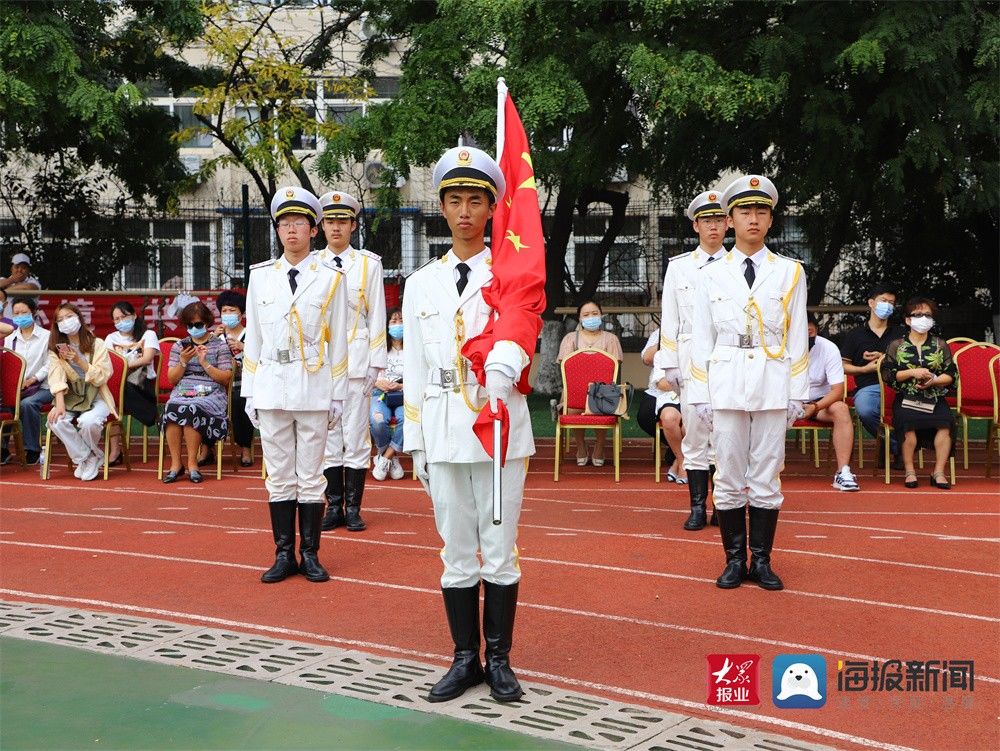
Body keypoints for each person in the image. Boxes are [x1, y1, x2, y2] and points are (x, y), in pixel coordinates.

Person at [404, 146, 534, 703]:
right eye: (454, 200)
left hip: (499, 424)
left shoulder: (511, 273)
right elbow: (412, 367)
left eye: (475, 200)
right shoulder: (419, 283)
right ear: (441, 206)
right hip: (442, 425)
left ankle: (499, 659)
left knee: (499, 547)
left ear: (491, 208)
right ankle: (464, 659)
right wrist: (415, 443)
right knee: (456, 548)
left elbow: (521, 331)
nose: (464, 211)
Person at [688, 175, 808, 592]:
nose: (752, 219)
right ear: (731, 219)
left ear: (771, 220)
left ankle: (763, 560)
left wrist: (797, 392)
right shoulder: (710, 273)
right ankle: (734, 560)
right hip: (725, 379)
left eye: (761, 211)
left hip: (773, 380)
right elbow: (700, 338)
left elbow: (796, 338)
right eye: (744, 211)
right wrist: (699, 393)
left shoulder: (790, 271)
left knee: (766, 473)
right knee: (728, 472)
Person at [242, 186, 348, 584]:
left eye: (299, 224)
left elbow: (338, 340)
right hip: (271, 385)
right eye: (285, 224)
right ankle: (284, 553)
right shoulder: (260, 278)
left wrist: (338, 394)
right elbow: (253, 338)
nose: (291, 231)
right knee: (279, 474)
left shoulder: (330, 279)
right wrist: (249, 391)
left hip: (313, 385)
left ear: (313, 230)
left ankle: (311, 554)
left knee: (311, 475)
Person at [314, 190, 387, 533]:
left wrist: (376, 363)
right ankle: (333, 506)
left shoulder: (369, 264)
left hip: (357, 360)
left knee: (356, 435)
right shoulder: (312, 264)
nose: (336, 228)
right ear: (322, 225)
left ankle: (354, 508)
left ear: (354, 225)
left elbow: (377, 316)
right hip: (324, 362)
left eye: (343, 221)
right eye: (330, 221)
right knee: (329, 435)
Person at [657, 191, 729, 530]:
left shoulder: (737, 266)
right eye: (707, 220)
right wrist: (668, 364)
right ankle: (698, 506)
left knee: (726, 434)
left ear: (728, 223)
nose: (713, 226)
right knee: (696, 433)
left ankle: (722, 505)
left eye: (719, 219)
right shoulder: (679, 267)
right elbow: (669, 320)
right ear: (695, 225)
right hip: (690, 358)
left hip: (728, 356)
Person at [879, 298, 957, 489]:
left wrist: (935, 380)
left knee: (946, 424)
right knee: (908, 427)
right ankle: (909, 471)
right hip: (906, 398)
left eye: (927, 315)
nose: (923, 319)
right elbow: (887, 374)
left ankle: (938, 472)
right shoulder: (896, 345)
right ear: (907, 320)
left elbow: (952, 374)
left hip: (934, 397)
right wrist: (913, 372)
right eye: (918, 315)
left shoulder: (940, 344)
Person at [160, 301, 232, 484]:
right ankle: (176, 464)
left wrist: (204, 363)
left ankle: (193, 462)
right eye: (190, 325)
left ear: (207, 323)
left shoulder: (220, 346)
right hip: (184, 389)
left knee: (192, 408)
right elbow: (172, 379)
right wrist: (183, 361)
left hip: (211, 391)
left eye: (198, 324)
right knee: (173, 407)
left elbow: (225, 378)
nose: (194, 328)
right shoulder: (180, 346)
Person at [45, 303, 117, 481]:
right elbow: (56, 376)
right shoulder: (56, 348)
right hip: (71, 397)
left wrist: (78, 359)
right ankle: (88, 456)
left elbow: (102, 377)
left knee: (89, 421)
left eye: (69, 316)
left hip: (96, 395)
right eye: (60, 320)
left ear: (78, 317)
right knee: (56, 421)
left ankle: (88, 456)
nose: (65, 322)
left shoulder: (97, 344)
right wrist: (59, 403)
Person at [839, 285, 905, 467]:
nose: (888, 306)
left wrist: (884, 359)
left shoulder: (902, 334)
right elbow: (843, 366)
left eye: (892, 303)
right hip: (869, 386)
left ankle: (892, 446)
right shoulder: (855, 335)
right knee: (866, 410)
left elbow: (912, 361)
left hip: (899, 385)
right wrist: (865, 369)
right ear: (871, 303)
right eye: (884, 301)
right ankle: (898, 446)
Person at [556, 300, 623, 467]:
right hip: (575, 391)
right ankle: (580, 446)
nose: (591, 317)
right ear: (579, 318)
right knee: (572, 407)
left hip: (602, 392)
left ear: (601, 315)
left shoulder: (611, 339)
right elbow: (565, 366)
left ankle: (600, 447)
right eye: (586, 315)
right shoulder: (570, 338)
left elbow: (614, 367)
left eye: (595, 313)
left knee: (601, 407)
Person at [803, 313, 859, 491]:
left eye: (810, 332)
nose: (806, 337)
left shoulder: (828, 348)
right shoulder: (775, 347)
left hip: (819, 402)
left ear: (817, 331)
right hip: (783, 400)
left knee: (841, 409)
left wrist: (815, 406)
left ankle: (843, 472)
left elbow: (837, 390)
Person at [104, 301, 159, 465]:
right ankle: (115, 451)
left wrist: (122, 366)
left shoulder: (148, 335)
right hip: (118, 385)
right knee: (109, 395)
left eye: (124, 316)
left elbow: (147, 358)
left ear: (134, 315)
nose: (121, 321)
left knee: (112, 394)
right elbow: (107, 363)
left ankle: (149, 412)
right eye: (117, 319)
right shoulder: (110, 338)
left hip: (142, 384)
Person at [2, 297, 52, 465]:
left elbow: (50, 364)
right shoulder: (11, 338)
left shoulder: (46, 337)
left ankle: (32, 449)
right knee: (7, 403)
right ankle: (3, 449)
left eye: (24, 312)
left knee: (27, 404)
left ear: (34, 312)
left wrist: (32, 379)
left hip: (44, 387)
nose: (20, 316)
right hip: (18, 388)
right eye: (16, 313)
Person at [636, 329, 685, 483]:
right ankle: (680, 456)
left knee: (692, 424)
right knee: (666, 417)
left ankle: (679, 460)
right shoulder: (662, 347)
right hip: (668, 395)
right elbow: (661, 382)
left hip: (697, 397)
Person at [213, 290, 253, 467]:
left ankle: (245, 447)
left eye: (232, 310)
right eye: (224, 311)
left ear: (242, 313)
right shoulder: (215, 336)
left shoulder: (250, 335)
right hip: (219, 384)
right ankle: (207, 448)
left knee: (238, 401)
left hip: (243, 383)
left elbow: (260, 359)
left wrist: (243, 347)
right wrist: (212, 340)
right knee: (206, 401)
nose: (227, 315)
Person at [370, 307, 405, 481]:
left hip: (403, 396)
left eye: (401, 321)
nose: (398, 325)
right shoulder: (380, 348)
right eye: (394, 321)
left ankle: (385, 458)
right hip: (379, 393)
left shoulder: (412, 349)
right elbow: (367, 372)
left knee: (407, 419)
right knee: (377, 421)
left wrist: (400, 387)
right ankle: (391, 454)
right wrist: (378, 382)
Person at [0, 253, 41, 318]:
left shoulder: (33, 282)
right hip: (6, 325)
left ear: (28, 270)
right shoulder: (4, 280)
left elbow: (27, 288)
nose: (20, 270)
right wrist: (13, 280)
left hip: (28, 324)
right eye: (17, 267)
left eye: (24, 268)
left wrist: (3, 292)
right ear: (11, 268)